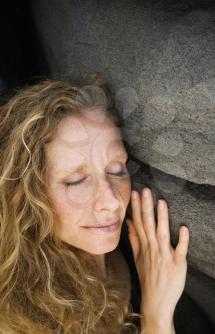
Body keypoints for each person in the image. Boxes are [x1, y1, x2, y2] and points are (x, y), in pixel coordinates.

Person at [0, 75, 189, 334]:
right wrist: (157, 317)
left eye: (116, 169)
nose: (111, 201)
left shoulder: (108, 259)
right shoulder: (16, 320)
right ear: (28, 195)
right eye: (76, 181)